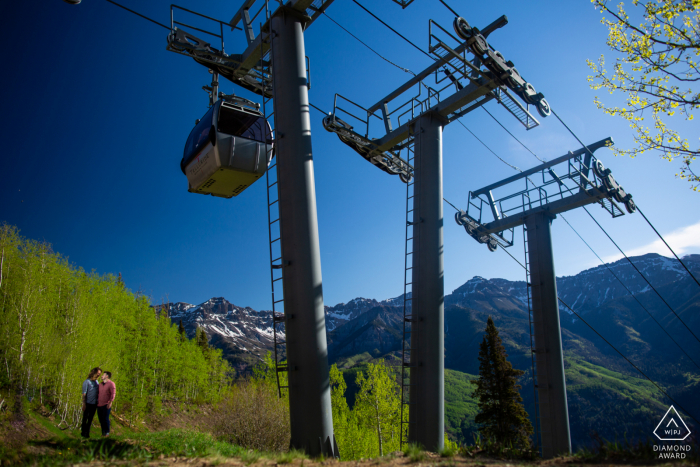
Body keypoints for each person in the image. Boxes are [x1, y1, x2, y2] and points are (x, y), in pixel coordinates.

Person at [80, 367, 101, 438]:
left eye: (99, 374)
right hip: (88, 403)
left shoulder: (96, 382)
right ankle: (83, 432)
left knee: (90, 419)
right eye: (98, 374)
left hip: (94, 403)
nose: (98, 375)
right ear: (94, 373)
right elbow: (84, 393)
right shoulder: (87, 382)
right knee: (85, 418)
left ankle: (87, 433)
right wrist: (84, 403)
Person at [97, 371, 116, 437]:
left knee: (105, 418)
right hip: (99, 404)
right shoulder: (100, 385)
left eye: (103, 375)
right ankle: (103, 432)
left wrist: (110, 402)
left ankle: (107, 432)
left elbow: (113, 393)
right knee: (101, 419)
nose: (102, 376)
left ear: (107, 376)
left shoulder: (111, 384)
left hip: (106, 404)